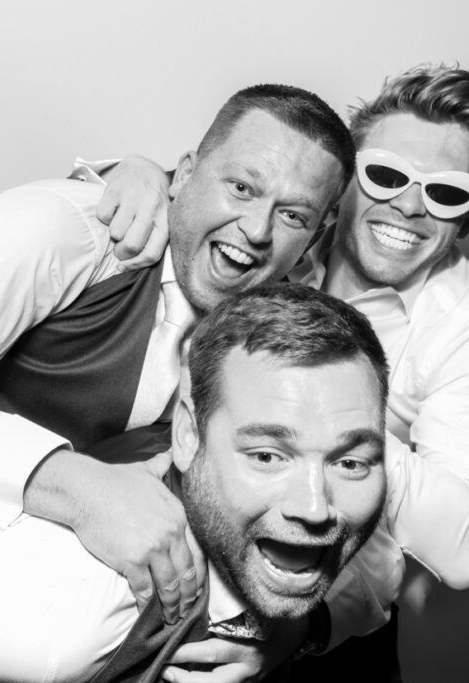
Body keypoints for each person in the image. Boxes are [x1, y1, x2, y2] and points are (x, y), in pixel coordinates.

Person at [0, 83, 353, 647]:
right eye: (242, 188)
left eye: (293, 216)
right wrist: (81, 489)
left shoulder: (277, 319)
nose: (256, 231)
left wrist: (281, 635)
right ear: (187, 171)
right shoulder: (69, 228)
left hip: (39, 547)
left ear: (317, 233)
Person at [0, 284, 390, 683]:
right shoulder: (59, 608)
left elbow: (382, 572)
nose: (316, 506)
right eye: (269, 454)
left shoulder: (286, 552)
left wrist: (293, 632)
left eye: (352, 462)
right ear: (188, 434)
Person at [91, 63, 469, 681]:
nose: (408, 205)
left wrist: (335, 427)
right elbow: (213, 187)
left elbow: (460, 545)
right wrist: (132, 172)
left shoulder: (460, 325)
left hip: (328, 603)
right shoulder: (273, 234)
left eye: (447, 191)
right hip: (164, 526)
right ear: (341, 180)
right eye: (386, 175)